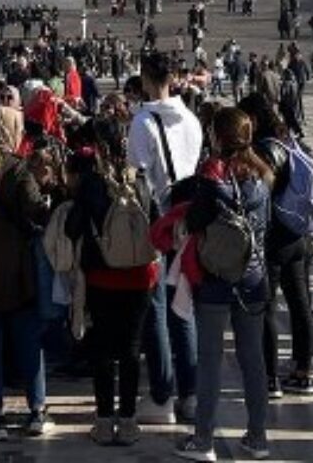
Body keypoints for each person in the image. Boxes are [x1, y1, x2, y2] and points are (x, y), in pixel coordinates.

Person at [176, 105, 275, 463]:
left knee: (210, 359)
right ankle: (258, 436)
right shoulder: (262, 177)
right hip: (252, 277)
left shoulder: (212, 176)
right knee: (253, 360)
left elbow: (196, 218)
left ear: (218, 136)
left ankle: (203, 440)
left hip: (217, 278)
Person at [69, 112, 157, 446]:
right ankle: (130, 421)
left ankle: (105, 421)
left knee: (103, 350)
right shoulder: (141, 178)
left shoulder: (93, 181)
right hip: (140, 276)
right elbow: (156, 221)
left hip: (103, 275)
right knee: (132, 348)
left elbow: (72, 226)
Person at [0, 100, 53, 438]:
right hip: (19, 269)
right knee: (28, 341)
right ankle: (36, 409)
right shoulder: (18, 169)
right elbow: (36, 212)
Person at [127, 53, 202, 424]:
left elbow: (137, 176)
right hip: (189, 217)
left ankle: (161, 395)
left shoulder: (143, 121)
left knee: (156, 305)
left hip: (158, 219)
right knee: (183, 305)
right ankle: (189, 392)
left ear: (144, 78)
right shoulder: (190, 118)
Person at [243, 90, 313, 394]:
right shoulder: (291, 143)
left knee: (267, 307)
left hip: (274, 236)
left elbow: (260, 192)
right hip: (297, 233)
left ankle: (269, 376)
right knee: (300, 303)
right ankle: (303, 370)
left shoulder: (264, 150)